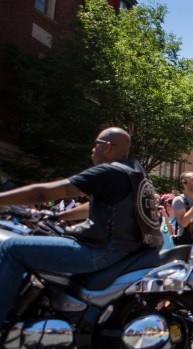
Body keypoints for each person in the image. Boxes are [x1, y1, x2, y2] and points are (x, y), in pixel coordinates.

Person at [0, 127, 161, 329]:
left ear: (108, 147)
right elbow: (93, 206)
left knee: (12, 248)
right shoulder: (135, 171)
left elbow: (42, 194)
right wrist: (59, 215)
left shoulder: (108, 171)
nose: (92, 149)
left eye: (96, 144)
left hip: (99, 252)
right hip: (122, 251)